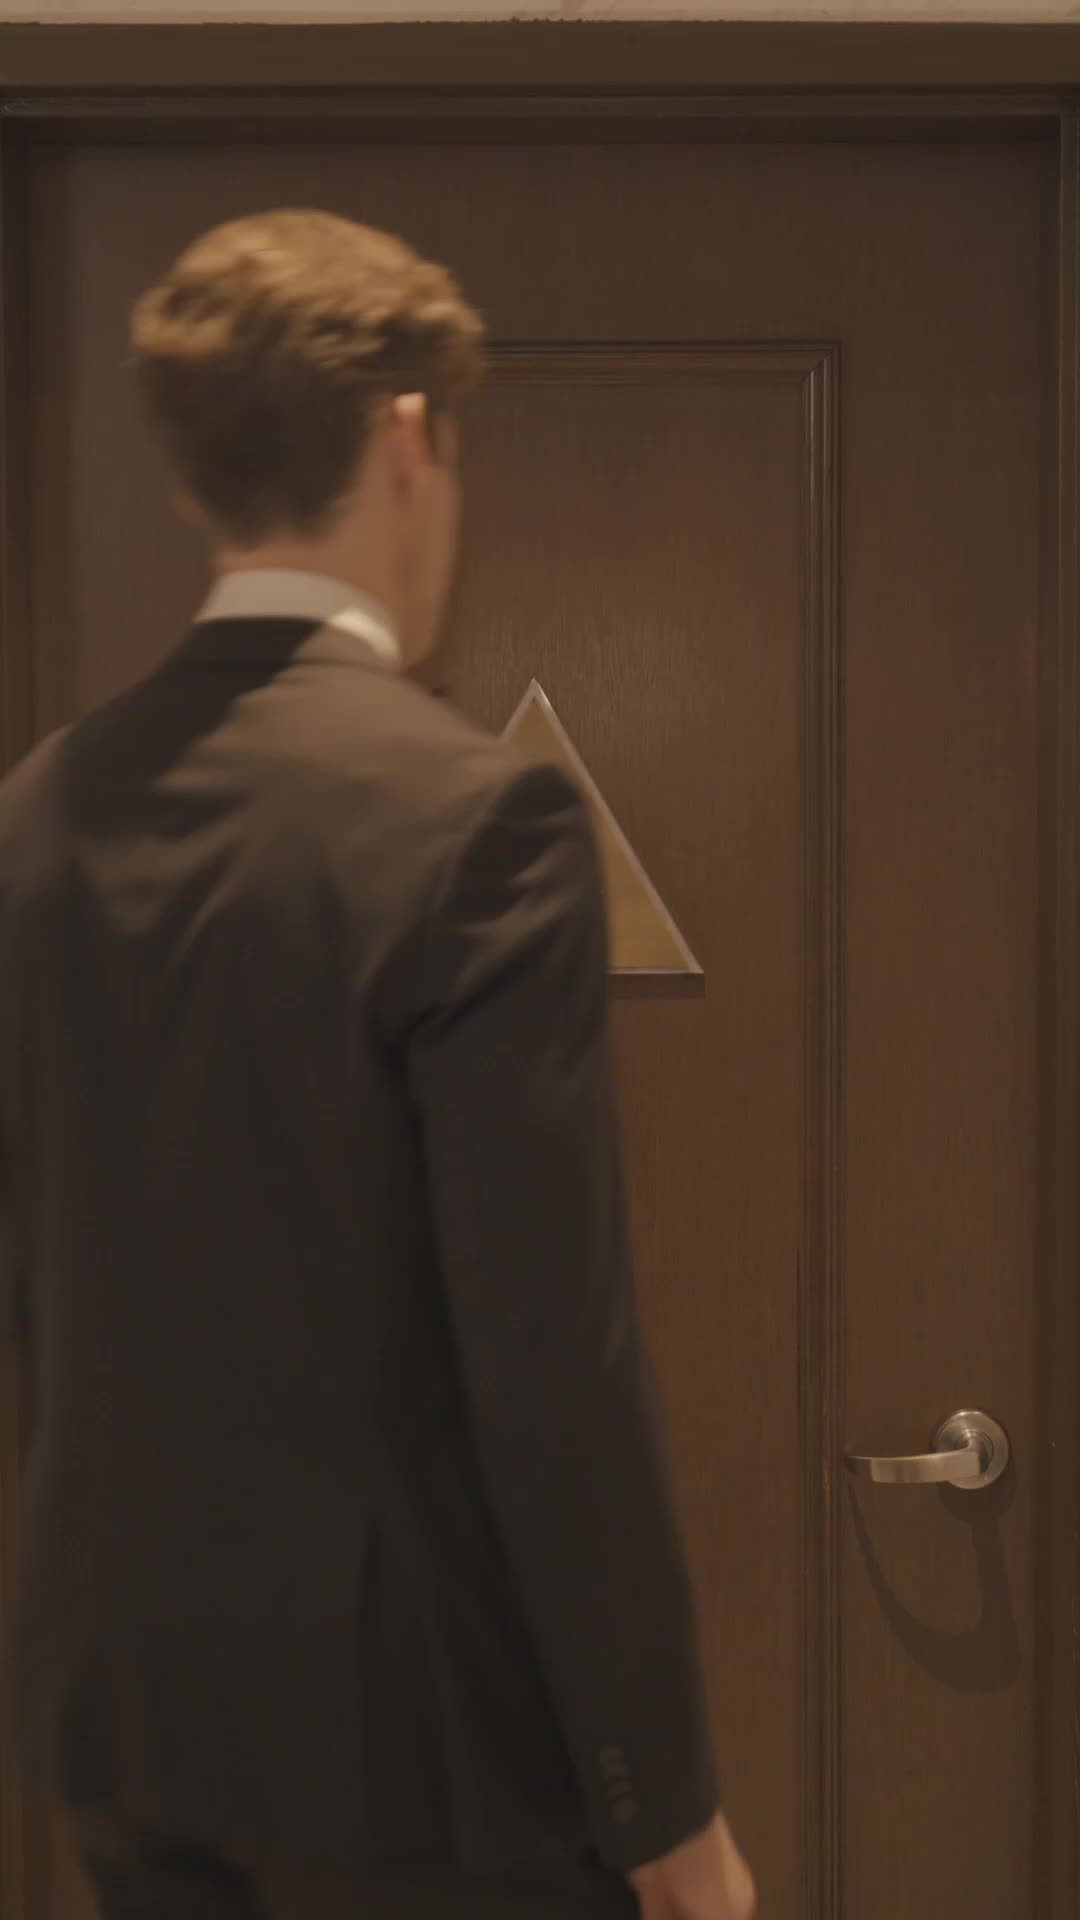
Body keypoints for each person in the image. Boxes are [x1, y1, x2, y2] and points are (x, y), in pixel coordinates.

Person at [0, 211, 756, 1920]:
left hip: (127, 1725)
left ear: (195, 478)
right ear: (408, 439)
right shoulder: (475, 821)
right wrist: (665, 1805)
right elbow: (553, 1365)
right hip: (427, 1764)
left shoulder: (36, 819)